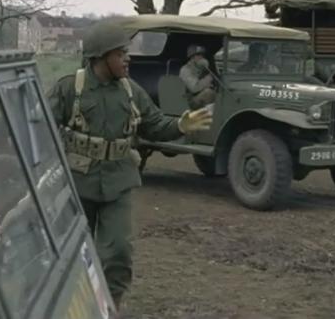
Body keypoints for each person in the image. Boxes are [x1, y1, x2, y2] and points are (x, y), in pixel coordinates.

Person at [47, 21, 213, 310]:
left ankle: (108, 309)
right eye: (120, 53)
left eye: (127, 52)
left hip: (118, 182)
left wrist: (181, 125)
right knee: (71, 251)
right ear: (100, 57)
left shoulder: (130, 91)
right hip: (77, 181)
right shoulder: (69, 88)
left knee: (118, 254)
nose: (128, 58)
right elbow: (41, 127)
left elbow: (155, 124)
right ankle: (66, 307)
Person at [179, 44, 216, 110]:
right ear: (192, 57)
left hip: (198, 96)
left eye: (202, 55)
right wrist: (207, 79)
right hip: (189, 100)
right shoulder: (186, 70)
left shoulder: (202, 69)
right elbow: (194, 88)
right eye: (198, 55)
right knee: (208, 93)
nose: (201, 57)